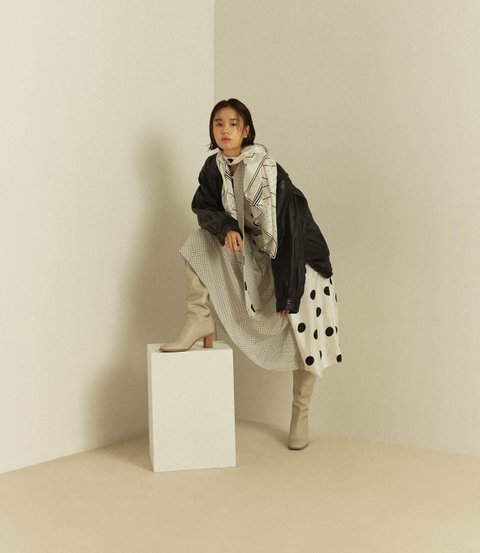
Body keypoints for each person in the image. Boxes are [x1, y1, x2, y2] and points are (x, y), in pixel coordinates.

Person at [160, 98, 342, 450]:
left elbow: (291, 231)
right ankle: (198, 319)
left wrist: (289, 292)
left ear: (246, 131)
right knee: (199, 241)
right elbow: (204, 206)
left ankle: (301, 413)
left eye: (233, 124)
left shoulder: (269, 171)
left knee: (305, 339)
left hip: (300, 259)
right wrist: (227, 226)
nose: (225, 130)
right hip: (259, 253)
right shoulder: (214, 168)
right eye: (218, 123)